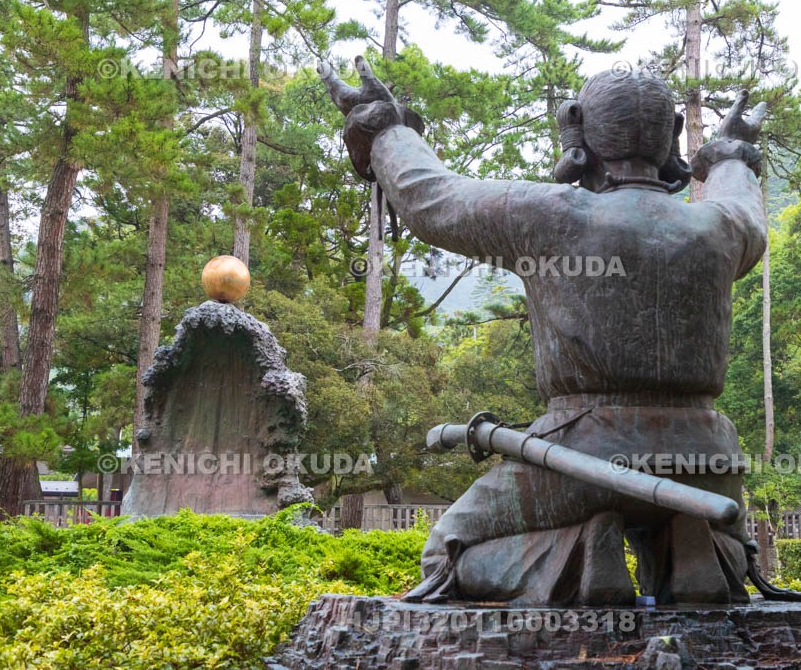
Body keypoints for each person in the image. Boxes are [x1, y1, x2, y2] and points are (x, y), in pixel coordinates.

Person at [322, 57, 767, 605]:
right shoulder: (724, 226)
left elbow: (426, 195)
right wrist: (729, 151)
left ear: (575, 124)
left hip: (585, 456)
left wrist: (382, 125)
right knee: (702, 526)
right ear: (674, 133)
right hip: (708, 464)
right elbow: (740, 187)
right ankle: (696, 549)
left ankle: (580, 554)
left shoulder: (547, 213)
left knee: (448, 553)